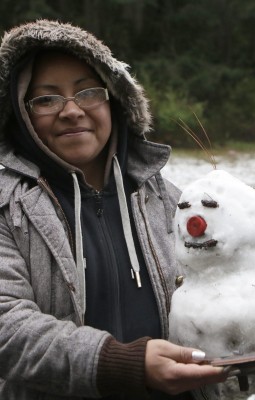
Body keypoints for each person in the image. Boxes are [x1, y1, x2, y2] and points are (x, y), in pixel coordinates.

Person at [0, 20, 227, 400]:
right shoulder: (8, 209)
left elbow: (214, 288)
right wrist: (119, 364)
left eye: (88, 93)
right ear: (22, 115)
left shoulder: (170, 200)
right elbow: (6, 325)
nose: (72, 111)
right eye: (46, 99)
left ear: (115, 102)